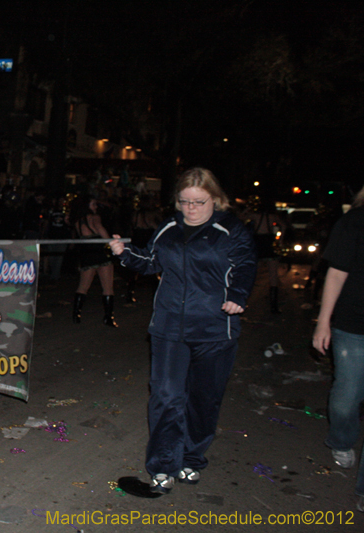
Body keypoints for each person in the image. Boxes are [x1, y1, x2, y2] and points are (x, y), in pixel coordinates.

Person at [108, 167, 257, 494]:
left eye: (198, 202)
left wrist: (237, 296)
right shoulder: (169, 228)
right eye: (184, 202)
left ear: (215, 199)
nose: (191, 208)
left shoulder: (230, 229)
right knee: (166, 395)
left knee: (204, 400)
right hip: (170, 326)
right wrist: (124, 253)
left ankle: (191, 456)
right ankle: (163, 464)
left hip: (215, 328)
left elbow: (245, 265)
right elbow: (149, 261)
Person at [311, 184, 364, 513]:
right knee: (347, 396)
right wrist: (323, 321)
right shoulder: (355, 222)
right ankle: (342, 439)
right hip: (353, 325)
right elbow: (336, 273)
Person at [72, 195, 117, 327]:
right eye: (93, 204)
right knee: (108, 287)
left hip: (86, 253)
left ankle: (76, 315)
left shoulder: (77, 221)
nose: (96, 207)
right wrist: (111, 243)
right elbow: (101, 230)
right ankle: (108, 317)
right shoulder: (94, 218)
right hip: (99, 252)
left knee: (83, 286)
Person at [241, 196, 288, 313]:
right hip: (269, 243)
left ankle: (243, 302)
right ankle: (274, 306)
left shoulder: (255, 216)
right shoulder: (272, 216)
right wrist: (280, 239)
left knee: (253, 274)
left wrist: (247, 210)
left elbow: (240, 218)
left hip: (258, 244)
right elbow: (284, 226)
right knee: (273, 275)